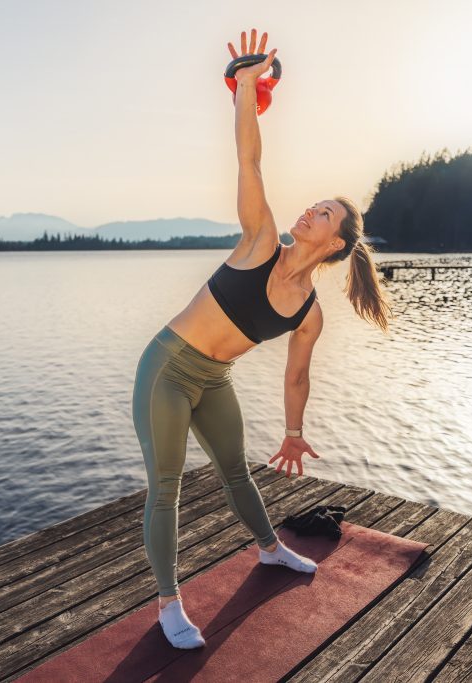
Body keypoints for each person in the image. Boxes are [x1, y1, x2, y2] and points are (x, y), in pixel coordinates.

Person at [131, 27, 393, 650]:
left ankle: (271, 549)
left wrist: (295, 432)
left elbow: (296, 376)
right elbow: (250, 159)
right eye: (314, 205)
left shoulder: (308, 312)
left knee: (236, 475)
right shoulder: (259, 241)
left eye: (323, 214)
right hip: (166, 370)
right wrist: (247, 88)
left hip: (212, 379)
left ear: (334, 244)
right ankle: (170, 604)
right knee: (165, 487)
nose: (309, 212)